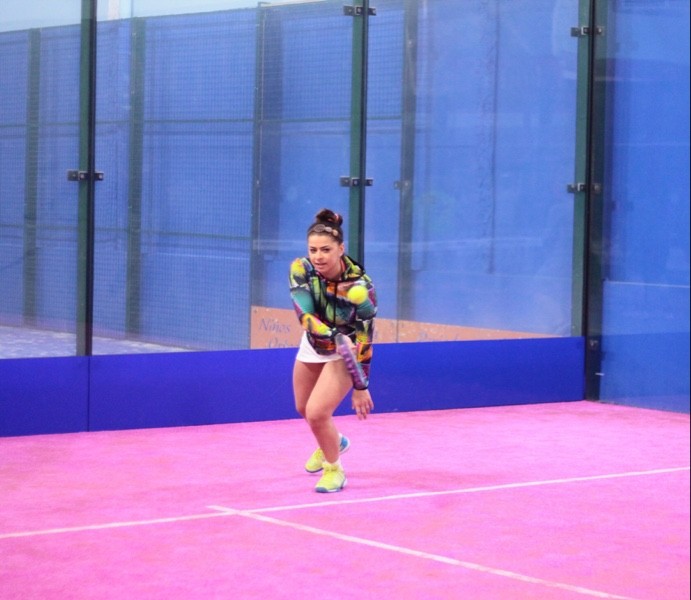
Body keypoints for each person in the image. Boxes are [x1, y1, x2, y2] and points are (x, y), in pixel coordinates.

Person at [289, 208, 377, 493]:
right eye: (313, 250)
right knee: (303, 408)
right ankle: (335, 441)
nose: (318, 256)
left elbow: (365, 336)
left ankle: (334, 470)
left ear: (341, 249)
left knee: (317, 413)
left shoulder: (361, 286)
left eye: (326, 250)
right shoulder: (301, 269)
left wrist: (360, 385)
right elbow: (304, 314)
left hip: (345, 353)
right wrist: (335, 335)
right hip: (315, 343)